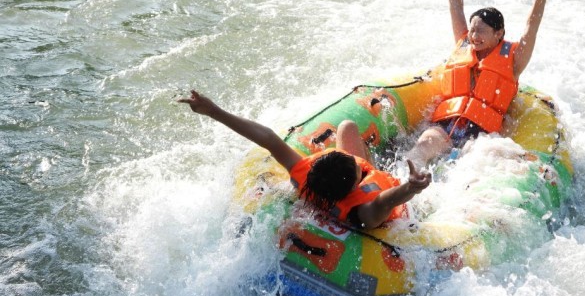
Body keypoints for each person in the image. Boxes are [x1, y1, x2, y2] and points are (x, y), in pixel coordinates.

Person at [178, 90, 431, 229]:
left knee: (346, 127)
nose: (358, 161)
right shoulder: (364, 212)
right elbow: (386, 200)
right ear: (355, 185)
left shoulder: (305, 175)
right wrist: (411, 186)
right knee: (424, 147)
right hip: (402, 212)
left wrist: (214, 111)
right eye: (357, 166)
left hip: (337, 187)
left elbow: (267, 138)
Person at [407, 0, 557, 165]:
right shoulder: (464, 44)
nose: (474, 36)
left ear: (499, 33)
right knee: (422, 146)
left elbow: (531, 26)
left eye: (481, 31)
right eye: (472, 30)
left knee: (474, 164)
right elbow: (455, 5)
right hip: (446, 126)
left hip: (483, 136)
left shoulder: (514, 59)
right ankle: (403, 180)